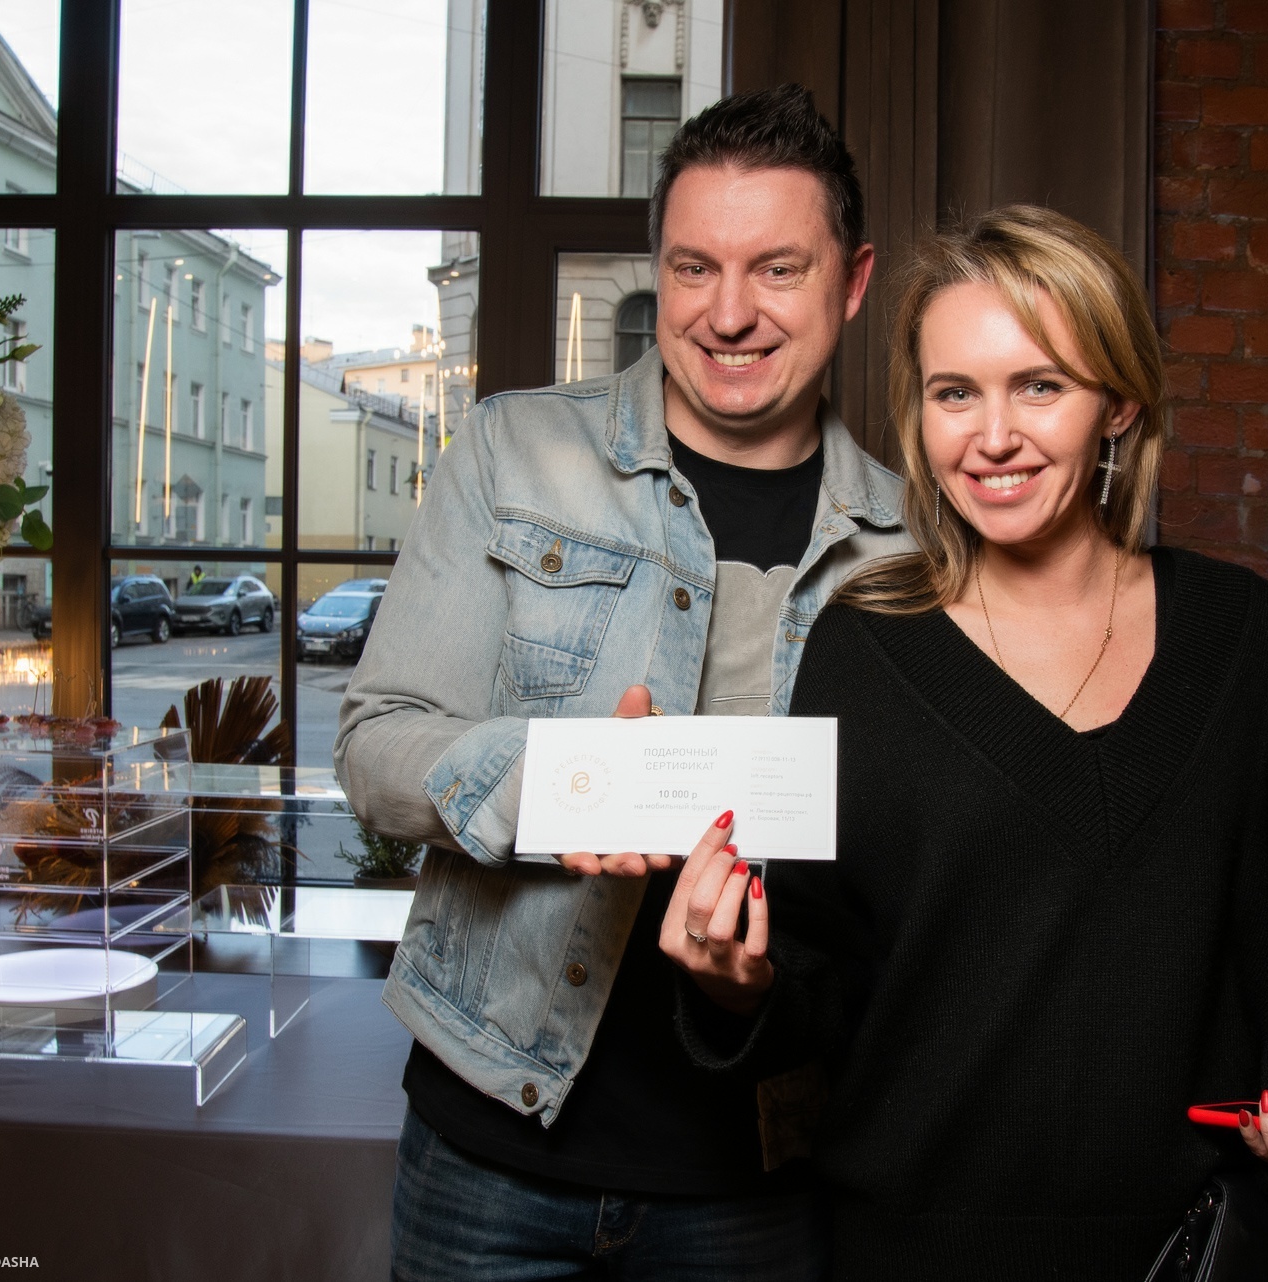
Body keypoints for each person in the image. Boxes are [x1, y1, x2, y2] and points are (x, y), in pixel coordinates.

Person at [658, 206, 1268, 1280]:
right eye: (954, 393)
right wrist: (732, 984)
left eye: (1039, 386)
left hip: (1197, 1248)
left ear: (1118, 402)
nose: (992, 437)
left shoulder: (1242, 636)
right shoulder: (864, 645)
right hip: (916, 1252)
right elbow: (821, 983)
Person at [334, 85, 910, 1280]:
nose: (729, 313)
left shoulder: (912, 544)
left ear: (852, 283)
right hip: (489, 1147)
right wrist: (559, 781)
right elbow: (376, 746)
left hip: (757, 1177)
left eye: (778, 269)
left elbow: (912, 884)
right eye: (695, 267)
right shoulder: (511, 449)